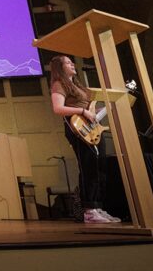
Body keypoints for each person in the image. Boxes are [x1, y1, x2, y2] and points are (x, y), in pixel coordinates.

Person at [49, 55, 120, 223]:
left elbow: (91, 110)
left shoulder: (78, 85)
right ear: (60, 67)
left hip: (92, 129)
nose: (72, 64)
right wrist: (81, 112)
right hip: (78, 129)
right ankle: (89, 210)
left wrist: (106, 107)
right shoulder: (59, 84)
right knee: (88, 166)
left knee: (99, 166)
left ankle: (98, 207)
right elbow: (58, 108)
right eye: (67, 62)